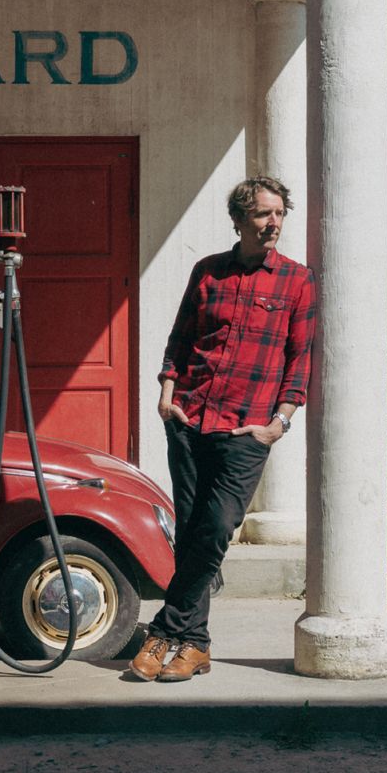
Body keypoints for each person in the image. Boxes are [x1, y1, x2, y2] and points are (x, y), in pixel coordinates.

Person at [130, 174, 315, 682]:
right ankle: (196, 645)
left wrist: (280, 422)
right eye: (262, 213)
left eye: (279, 213)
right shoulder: (207, 272)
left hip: (248, 427)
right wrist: (167, 394)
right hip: (190, 419)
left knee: (215, 530)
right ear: (239, 220)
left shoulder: (298, 280)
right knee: (191, 533)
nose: (273, 222)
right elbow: (181, 337)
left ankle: (167, 632)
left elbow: (300, 359)